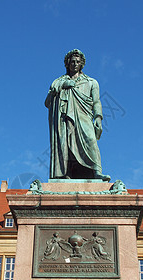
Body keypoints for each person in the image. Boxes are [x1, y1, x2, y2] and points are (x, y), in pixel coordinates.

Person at [45, 49, 110, 181]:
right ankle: (64, 173)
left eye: (78, 62)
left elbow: (97, 102)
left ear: (82, 64)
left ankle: (96, 171)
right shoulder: (58, 82)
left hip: (84, 116)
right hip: (63, 119)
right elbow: (47, 103)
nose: (75, 64)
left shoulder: (91, 82)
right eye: (72, 62)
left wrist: (98, 117)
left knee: (90, 140)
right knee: (65, 144)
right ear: (67, 64)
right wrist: (62, 86)